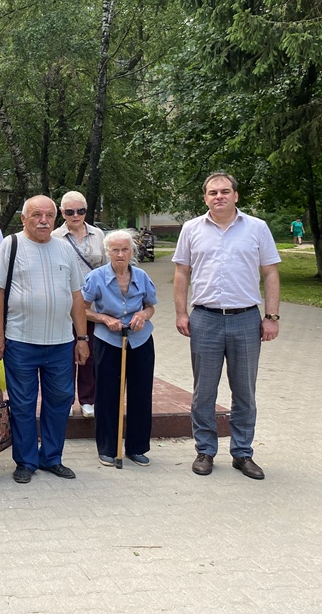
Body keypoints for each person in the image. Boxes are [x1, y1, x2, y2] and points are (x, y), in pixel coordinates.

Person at [173, 172, 281, 480]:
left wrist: (271, 317)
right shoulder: (191, 229)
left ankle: (243, 453)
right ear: (204, 198)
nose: (218, 196)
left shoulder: (257, 228)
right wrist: (181, 314)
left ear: (236, 195)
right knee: (203, 391)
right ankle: (205, 450)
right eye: (212, 192)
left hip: (246, 319)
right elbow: (182, 274)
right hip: (204, 318)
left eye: (224, 191)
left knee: (244, 391)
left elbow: (270, 273)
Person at [0, 195, 89, 484]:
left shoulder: (65, 249)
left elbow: (76, 296)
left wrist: (81, 338)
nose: (43, 220)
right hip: (20, 341)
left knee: (60, 400)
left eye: (48, 215)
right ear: (24, 219)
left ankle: (52, 458)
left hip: (60, 343)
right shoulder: (12, 244)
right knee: (22, 404)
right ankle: (26, 460)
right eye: (36, 215)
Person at [81, 230, 157, 467]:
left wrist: (142, 315)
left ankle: (137, 447)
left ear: (132, 251)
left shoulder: (142, 276)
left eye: (125, 249)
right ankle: (107, 448)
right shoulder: (96, 277)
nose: (120, 254)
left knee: (140, 393)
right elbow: (82, 309)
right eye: (115, 250)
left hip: (140, 339)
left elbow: (150, 307)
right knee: (107, 394)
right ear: (108, 252)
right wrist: (104, 319)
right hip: (108, 340)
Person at [52, 191, 108, 419]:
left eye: (81, 211)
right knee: (66, 355)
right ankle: (65, 400)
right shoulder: (55, 236)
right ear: (62, 213)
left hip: (92, 306)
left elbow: (106, 270)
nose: (75, 216)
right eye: (69, 212)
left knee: (90, 354)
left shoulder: (98, 234)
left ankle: (87, 400)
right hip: (65, 305)